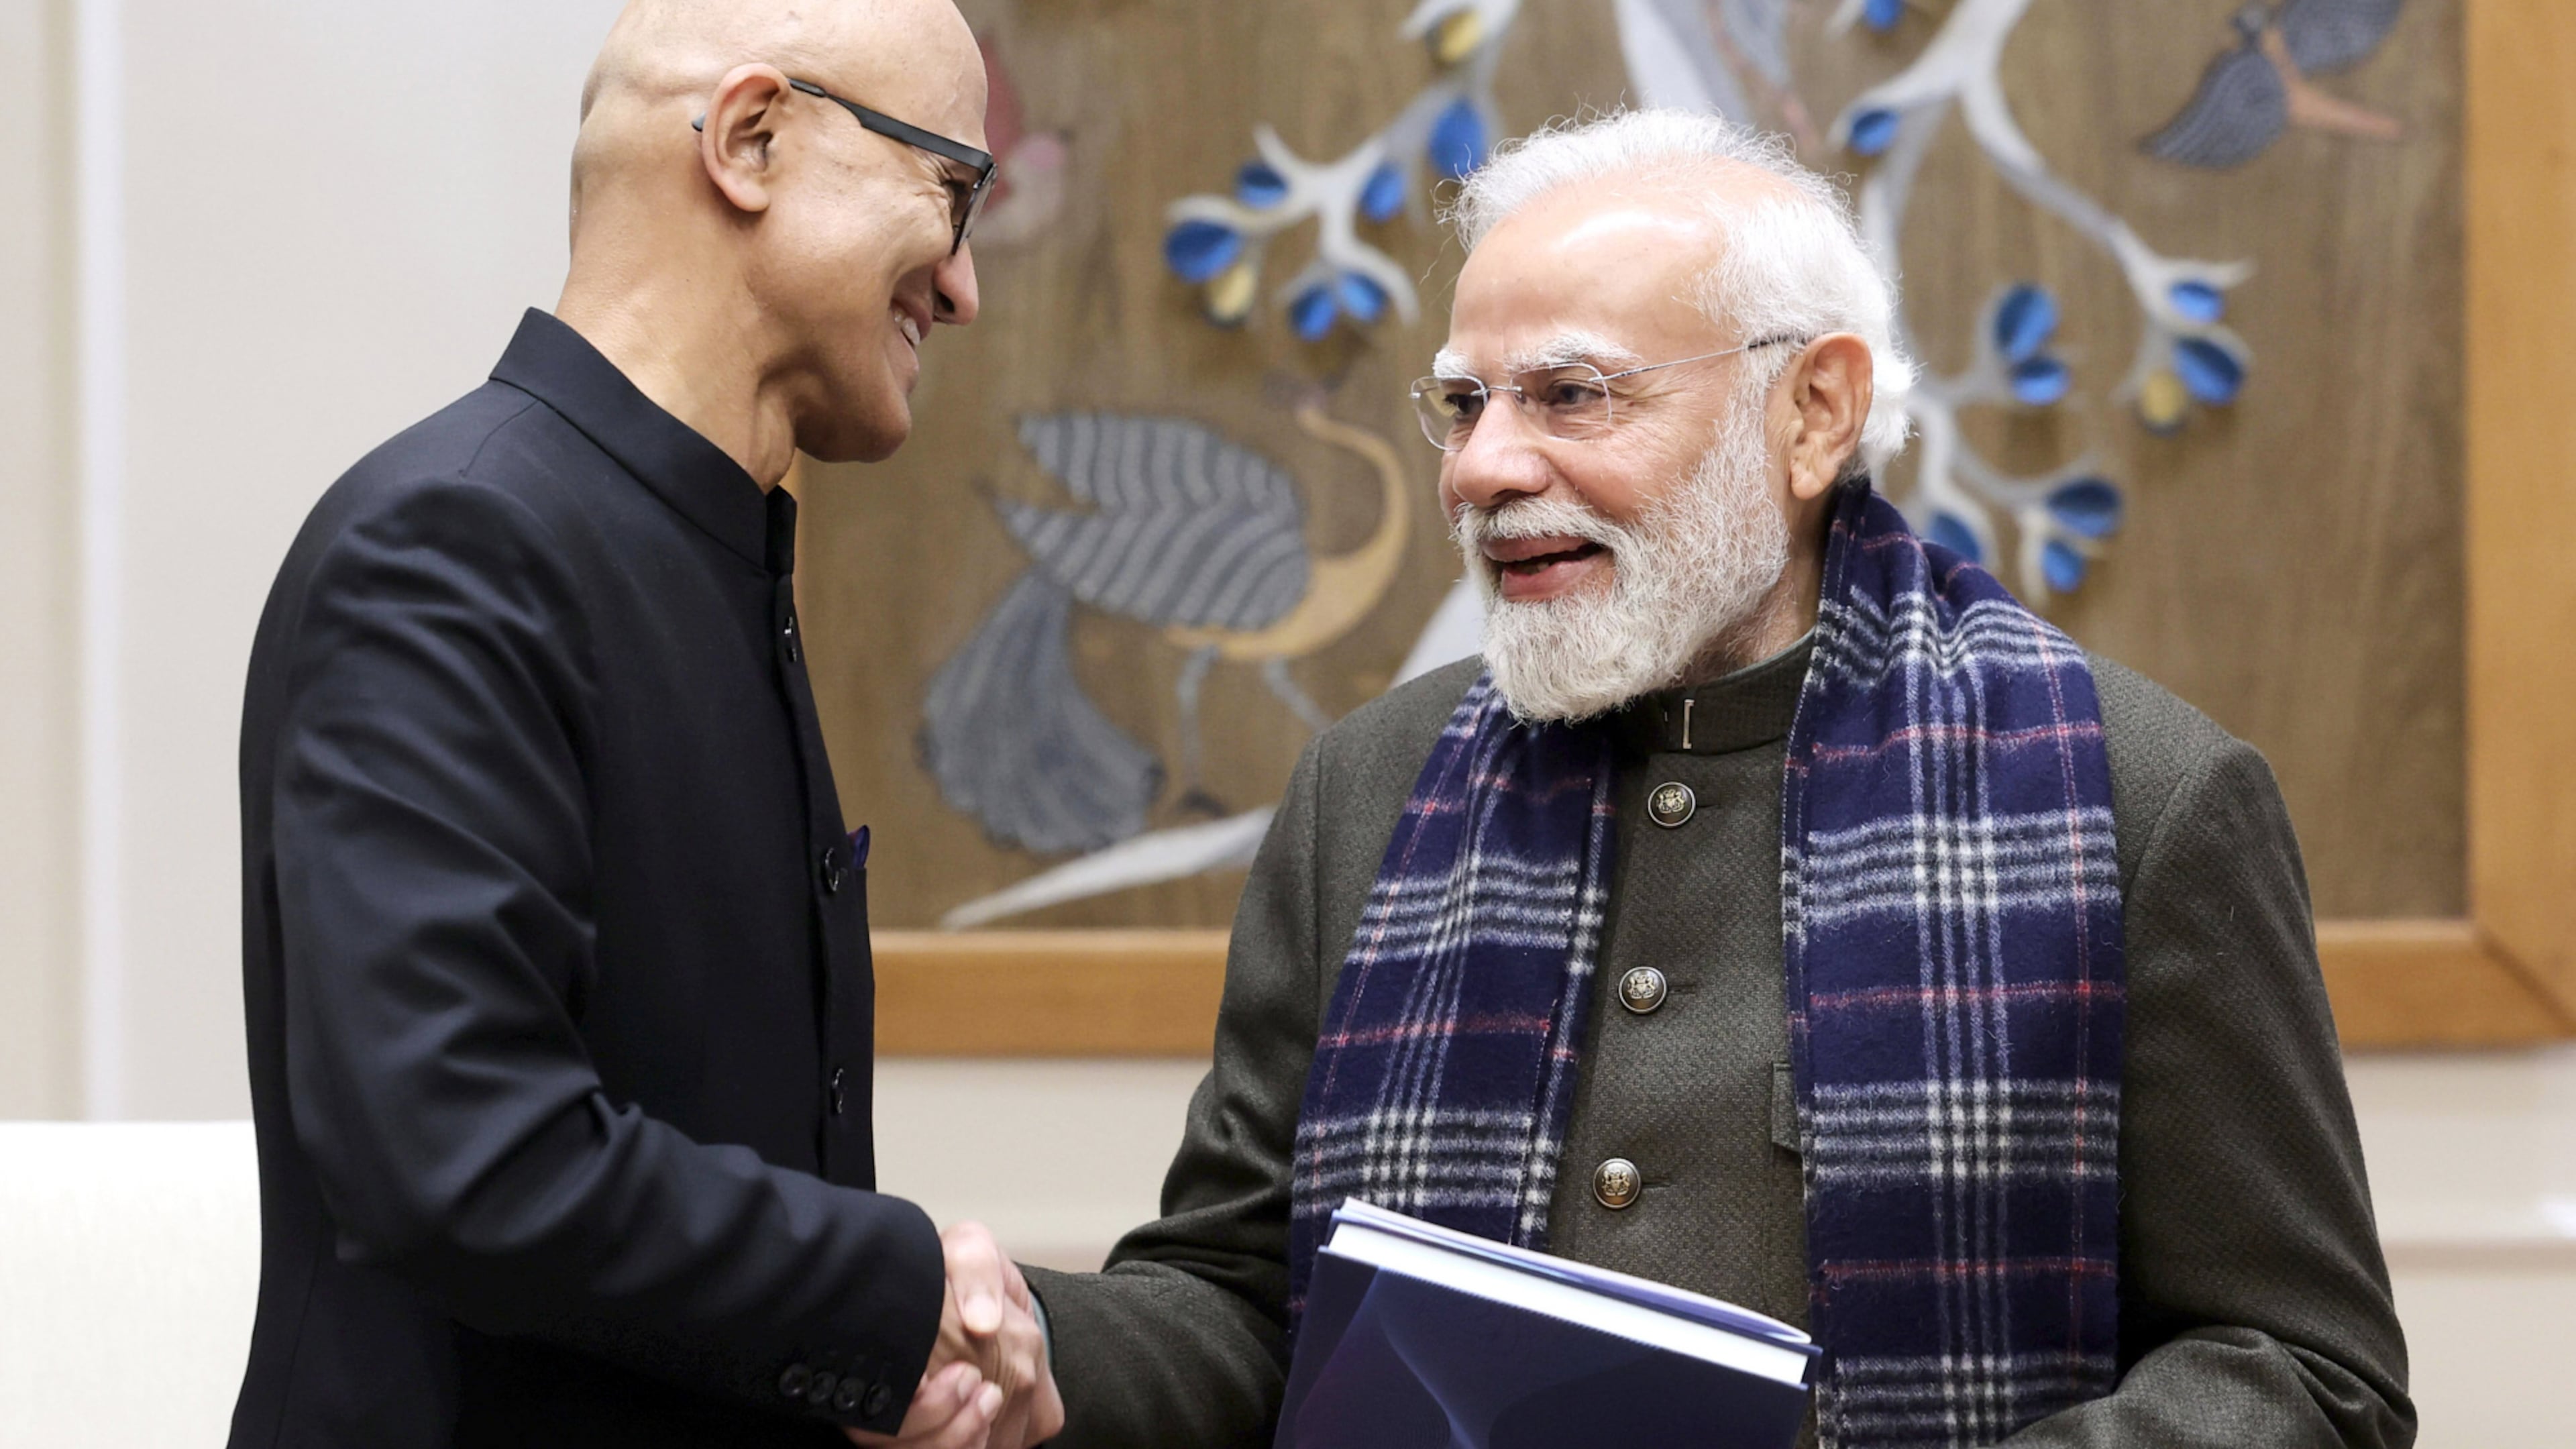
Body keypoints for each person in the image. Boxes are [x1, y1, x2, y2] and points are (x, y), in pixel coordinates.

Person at [1025, 110, 2413, 1448]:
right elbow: (1238, 1307)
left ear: (1814, 413)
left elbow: (2303, 1374)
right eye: (1464, 403)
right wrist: (994, 1342)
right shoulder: (1367, 790)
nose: (1483, 469)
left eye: (1572, 394)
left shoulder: (2144, 797)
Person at [228, 2, 1059, 1445]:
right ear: (748, 141)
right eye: (952, 189)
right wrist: (890, 1293)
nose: (967, 285)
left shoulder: (711, 556)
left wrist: (877, 1364)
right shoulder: (455, 543)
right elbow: (461, 1153)